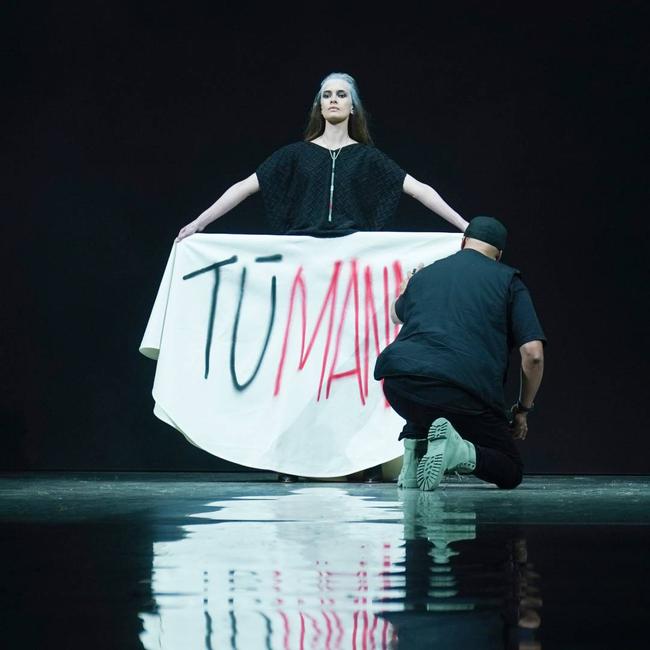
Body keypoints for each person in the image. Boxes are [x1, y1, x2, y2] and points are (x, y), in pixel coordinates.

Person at [175, 72, 471, 482]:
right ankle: (290, 461)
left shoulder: (369, 158)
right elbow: (245, 186)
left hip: (349, 274)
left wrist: (465, 228)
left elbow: (418, 189)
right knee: (300, 365)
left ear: (353, 108)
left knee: (350, 366)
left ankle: (359, 460)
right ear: (320, 106)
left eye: (341, 95)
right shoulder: (295, 155)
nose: (333, 100)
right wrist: (198, 224)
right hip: (305, 270)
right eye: (326, 95)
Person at [374, 216, 545, 490]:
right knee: (510, 470)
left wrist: (407, 288)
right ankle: (460, 452)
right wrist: (523, 409)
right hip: (460, 391)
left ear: (463, 242)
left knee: (424, 388)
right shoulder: (508, 281)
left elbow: (395, 314)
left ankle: (414, 455)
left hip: (397, 383)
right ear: (498, 255)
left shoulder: (426, 274)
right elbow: (533, 354)